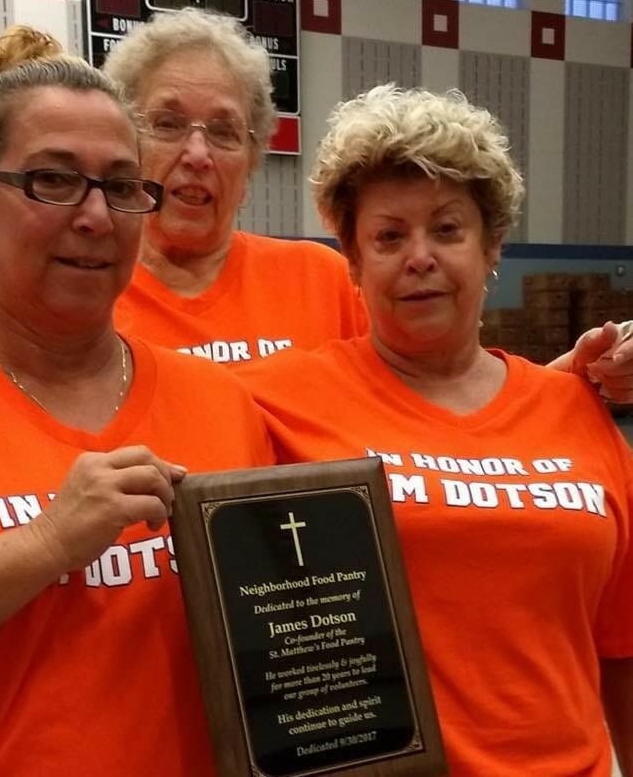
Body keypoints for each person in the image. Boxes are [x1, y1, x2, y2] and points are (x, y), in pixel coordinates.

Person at [0, 25, 275, 776]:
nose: (95, 216)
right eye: (53, 181)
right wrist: (48, 542)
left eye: (121, 185)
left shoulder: (222, 404)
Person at [240, 85, 633, 777]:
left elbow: (622, 647)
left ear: (491, 248)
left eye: (447, 229)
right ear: (353, 260)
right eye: (388, 235)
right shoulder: (272, 402)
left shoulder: (575, 408)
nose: (418, 256)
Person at [0, 0, 366, 369]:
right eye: (168, 123)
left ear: (252, 158)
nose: (197, 155)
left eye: (224, 132)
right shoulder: (56, 280)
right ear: (120, 145)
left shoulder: (326, 281)